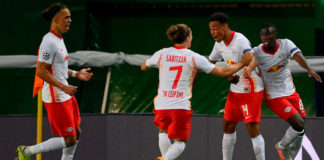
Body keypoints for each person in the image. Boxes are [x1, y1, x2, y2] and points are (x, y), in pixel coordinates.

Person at [141, 24, 253, 160]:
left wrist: (151, 64)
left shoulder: (162, 53)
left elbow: (144, 66)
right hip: (180, 105)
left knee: (162, 132)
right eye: (191, 35)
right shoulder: (193, 57)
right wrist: (242, 63)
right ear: (188, 38)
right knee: (181, 142)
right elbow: (223, 72)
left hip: (161, 104)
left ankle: (165, 157)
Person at [16, 3, 93, 160]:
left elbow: (59, 69)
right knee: (69, 139)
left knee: (76, 133)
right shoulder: (48, 41)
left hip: (65, 94)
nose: (70, 20)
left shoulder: (59, 40)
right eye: (66, 17)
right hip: (56, 97)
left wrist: (76, 74)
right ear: (55, 20)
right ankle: (27, 151)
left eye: (70, 17)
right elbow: (41, 71)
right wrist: (64, 87)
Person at [253, 23, 322, 160]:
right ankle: (282, 146)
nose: (265, 37)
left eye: (268, 34)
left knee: (301, 126)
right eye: (263, 35)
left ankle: (290, 154)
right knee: (298, 124)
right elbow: (246, 62)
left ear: (275, 35)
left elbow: (297, 55)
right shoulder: (257, 52)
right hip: (273, 96)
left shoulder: (285, 44)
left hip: (291, 92)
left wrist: (309, 69)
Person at [208, 12, 265, 160]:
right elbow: (211, 63)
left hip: (250, 87)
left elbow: (250, 57)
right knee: (228, 125)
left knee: (252, 127)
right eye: (210, 29)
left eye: (215, 28)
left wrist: (241, 68)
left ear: (225, 26)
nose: (213, 32)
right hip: (235, 89)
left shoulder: (240, 40)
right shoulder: (218, 44)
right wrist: (227, 74)